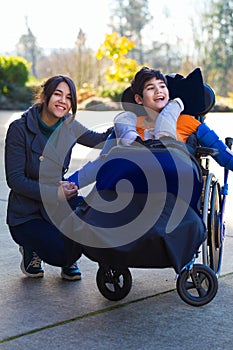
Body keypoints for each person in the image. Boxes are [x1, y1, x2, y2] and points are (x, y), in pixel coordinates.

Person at [4, 74, 112, 280]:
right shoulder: (19, 129)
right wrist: (55, 193)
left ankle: (68, 256)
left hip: (57, 204)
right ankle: (30, 248)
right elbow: (15, 180)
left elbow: (98, 140)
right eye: (58, 94)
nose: (63, 101)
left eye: (69, 97)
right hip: (27, 214)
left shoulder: (68, 125)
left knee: (91, 219)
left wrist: (126, 126)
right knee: (62, 253)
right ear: (45, 96)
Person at [66, 67, 233, 189]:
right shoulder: (130, 124)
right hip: (132, 179)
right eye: (150, 88)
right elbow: (102, 162)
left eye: (162, 86)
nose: (158, 91)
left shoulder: (188, 122)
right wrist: (69, 184)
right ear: (139, 99)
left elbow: (221, 153)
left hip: (172, 178)